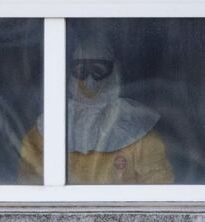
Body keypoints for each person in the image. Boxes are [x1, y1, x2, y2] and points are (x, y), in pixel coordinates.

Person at [18, 34, 174, 184]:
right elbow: (29, 183)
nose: (89, 79)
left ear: (113, 72)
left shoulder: (136, 130)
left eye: (98, 69)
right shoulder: (49, 128)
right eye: (81, 70)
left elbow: (159, 186)